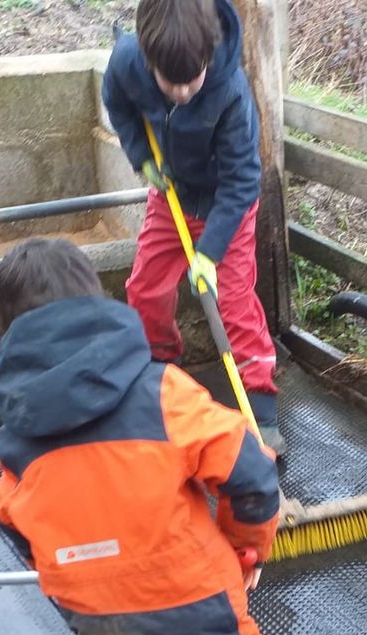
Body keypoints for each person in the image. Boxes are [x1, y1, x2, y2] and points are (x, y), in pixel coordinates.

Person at [0, 237, 361, 635]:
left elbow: (17, 524)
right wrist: (247, 545)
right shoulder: (161, 390)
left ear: (10, 333)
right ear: (97, 306)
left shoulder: (15, 436)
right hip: (193, 600)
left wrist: (74, 582)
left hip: (95, 612)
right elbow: (247, 474)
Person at [101, 0, 284, 455]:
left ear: (208, 55)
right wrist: (141, 158)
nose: (183, 92)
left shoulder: (230, 92)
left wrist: (210, 252)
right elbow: (118, 103)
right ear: (148, 60)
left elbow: (243, 181)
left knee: (235, 302)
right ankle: (161, 367)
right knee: (146, 288)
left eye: (192, 79)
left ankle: (259, 404)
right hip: (173, 197)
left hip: (228, 206)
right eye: (171, 82)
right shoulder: (127, 61)